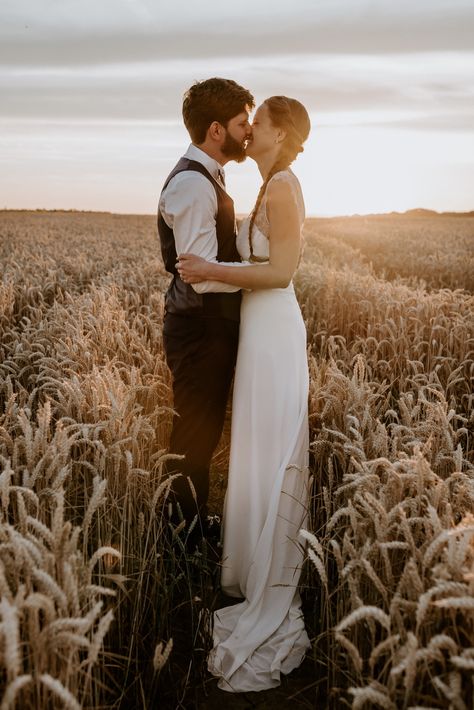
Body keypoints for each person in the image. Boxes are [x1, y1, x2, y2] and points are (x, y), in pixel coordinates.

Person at [177, 96, 312, 692]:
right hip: (256, 328)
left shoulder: (283, 186)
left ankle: (270, 580)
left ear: (280, 135)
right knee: (254, 444)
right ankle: (249, 567)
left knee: (273, 441)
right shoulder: (264, 185)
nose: (249, 129)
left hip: (275, 325)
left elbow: (282, 272)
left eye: (260, 124)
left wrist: (214, 273)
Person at [157, 78, 254, 536]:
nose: (248, 131)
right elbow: (201, 273)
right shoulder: (194, 184)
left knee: (204, 430)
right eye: (241, 123)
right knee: (194, 436)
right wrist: (260, 274)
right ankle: (180, 536)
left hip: (206, 325)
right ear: (217, 129)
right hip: (199, 327)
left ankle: (190, 522)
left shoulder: (208, 174)